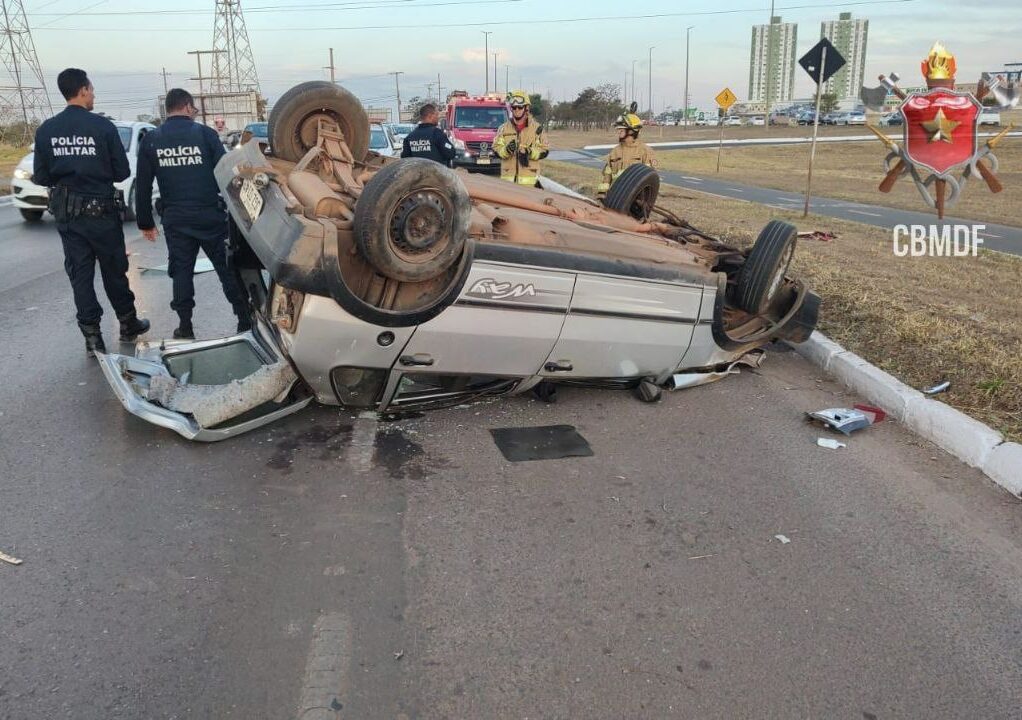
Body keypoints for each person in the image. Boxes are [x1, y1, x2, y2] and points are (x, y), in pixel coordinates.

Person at [33, 68, 150, 356]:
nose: (94, 94)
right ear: (83, 90)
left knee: (80, 275)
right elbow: (122, 171)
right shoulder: (102, 127)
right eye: (92, 89)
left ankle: (93, 338)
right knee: (114, 271)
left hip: (68, 216)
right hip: (102, 213)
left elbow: (41, 176)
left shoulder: (47, 130)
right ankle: (127, 323)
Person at [135, 88, 249, 339]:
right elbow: (226, 173)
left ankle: (185, 326)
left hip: (176, 220)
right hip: (210, 217)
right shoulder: (206, 135)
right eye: (194, 108)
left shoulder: (152, 140)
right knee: (225, 269)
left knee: (182, 272)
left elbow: (142, 184)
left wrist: (145, 222)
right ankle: (243, 319)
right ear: (187, 107)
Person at [598, 102, 658, 196]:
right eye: (618, 130)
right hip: (614, 198)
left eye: (621, 130)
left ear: (631, 131)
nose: (618, 133)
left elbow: (648, 179)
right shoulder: (615, 152)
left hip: (633, 202)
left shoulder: (645, 151)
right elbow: (607, 176)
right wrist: (602, 195)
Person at [493, 89, 549, 186]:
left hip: (530, 186)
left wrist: (529, 152)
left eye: (520, 107)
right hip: (508, 185)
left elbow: (545, 150)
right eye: (514, 107)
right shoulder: (503, 129)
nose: (517, 110)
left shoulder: (537, 129)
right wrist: (506, 151)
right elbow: (496, 149)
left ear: (526, 108)